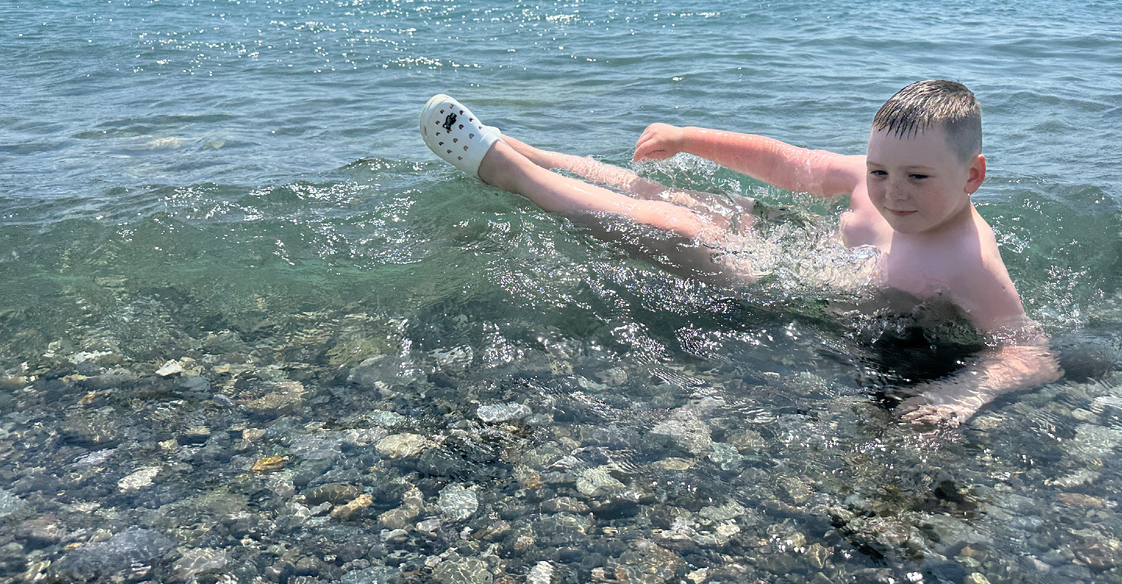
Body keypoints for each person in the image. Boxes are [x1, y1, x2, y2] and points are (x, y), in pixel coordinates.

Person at [418, 81, 1062, 426]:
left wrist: (964, 394)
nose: (892, 193)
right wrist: (687, 137)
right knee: (683, 197)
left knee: (683, 230)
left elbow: (1030, 352)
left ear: (972, 176)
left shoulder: (968, 261)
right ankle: (533, 151)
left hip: (810, 293)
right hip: (799, 249)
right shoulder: (883, 179)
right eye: (878, 173)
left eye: (917, 178)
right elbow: (788, 162)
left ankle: (511, 174)